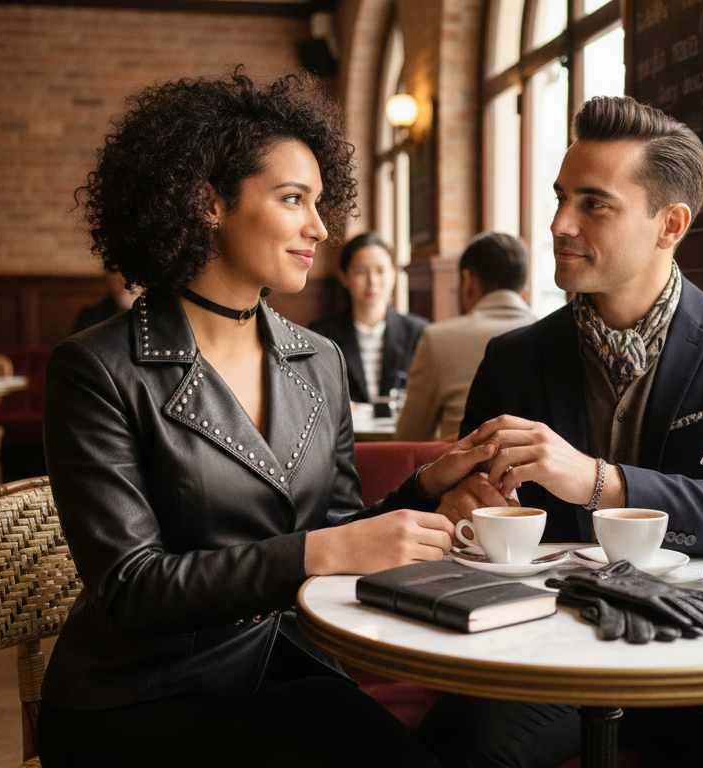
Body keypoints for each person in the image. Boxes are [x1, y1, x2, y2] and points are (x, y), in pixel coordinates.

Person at [38, 69, 492, 767]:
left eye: (319, 202)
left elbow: (335, 533)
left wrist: (427, 490)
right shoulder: (96, 368)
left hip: (287, 664)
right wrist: (322, 553)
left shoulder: (318, 359)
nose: (321, 226)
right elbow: (132, 588)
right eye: (292, 200)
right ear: (207, 202)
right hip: (141, 693)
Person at [417, 97, 703, 767]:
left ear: (669, 224)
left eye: (594, 204)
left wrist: (596, 481)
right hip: (548, 641)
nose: (558, 224)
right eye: (560, 198)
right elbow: (471, 522)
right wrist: (468, 511)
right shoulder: (513, 358)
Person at [394, 232, 536, 441]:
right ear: (525, 292)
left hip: (463, 472)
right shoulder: (558, 338)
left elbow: (409, 440)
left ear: (468, 281)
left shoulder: (438, 339)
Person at [309, 231, 427, 403]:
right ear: (344, 277)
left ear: (393, 274)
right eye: (361, 272)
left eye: (380, 271)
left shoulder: (419, 333)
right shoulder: (320, 334)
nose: (372, 281)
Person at [71, 270, 144, 334]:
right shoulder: (91, 315)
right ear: (109, 279)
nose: (123, 281)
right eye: (116, 273)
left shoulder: (150, 314)